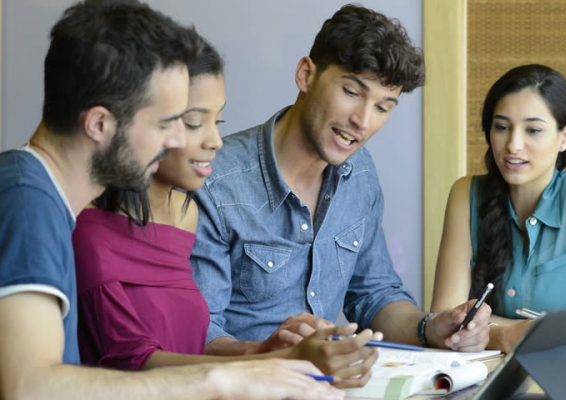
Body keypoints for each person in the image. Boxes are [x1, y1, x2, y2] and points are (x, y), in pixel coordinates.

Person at [0, 1, 344, 399]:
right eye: (166, 124)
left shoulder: (42, 198)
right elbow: (29, 388)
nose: (177, 142)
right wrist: (221, 380)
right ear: (99, 124)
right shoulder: (27, 200)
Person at [191, 4, 491, 360]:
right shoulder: (215, 183)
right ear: (306, 75)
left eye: (383, 106)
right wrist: (270, 354)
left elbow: (374, 294)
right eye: (352, 91)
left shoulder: (359, 173)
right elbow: (196, 334)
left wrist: (431, 327)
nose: (362, 121)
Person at [73, 34, 372, 390]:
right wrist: (280, 361)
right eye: (196, 122)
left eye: (220, 122)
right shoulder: (89, 235)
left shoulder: (183, 212)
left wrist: (268, 349)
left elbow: (192, 346)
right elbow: (136, 364)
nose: (215, 141)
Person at [431, 64, 566, 353]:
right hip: (488, 377)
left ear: (564, 138)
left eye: (533, 130)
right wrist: (513, 334)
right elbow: (445, 319)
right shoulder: (466, 194)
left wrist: (491, 330)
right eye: (502, 127)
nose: (513, 145)